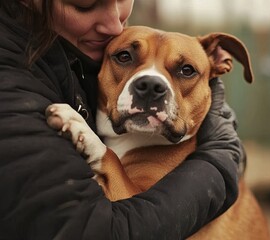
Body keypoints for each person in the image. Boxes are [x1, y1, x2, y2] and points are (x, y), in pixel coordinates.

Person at [0, 1, 245, 239]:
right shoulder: (19, 83)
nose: (113, 25)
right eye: (126, 57)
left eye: (186, 70)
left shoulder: (83, 49)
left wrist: (222, 155)